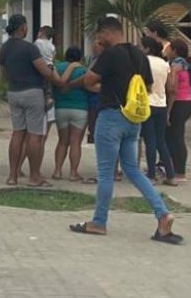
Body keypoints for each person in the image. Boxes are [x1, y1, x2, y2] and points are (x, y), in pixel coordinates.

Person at [68, 17, 181, 244]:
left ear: (108, 33)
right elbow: (147, 87)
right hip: (133, 119)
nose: (99, 41)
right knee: (133, 170)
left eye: (99, 37)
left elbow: (89, 80)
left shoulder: (110, 54)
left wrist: (91, 86)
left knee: (106, 172)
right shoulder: (140, 55)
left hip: (111, 116)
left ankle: (99, 222)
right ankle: (163, 214)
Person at [0, 14, 60, 188]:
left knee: (17, 133)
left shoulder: (4, 48)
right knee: (35, 134)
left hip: (13, 92)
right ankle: (34, 177)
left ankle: (12, 176)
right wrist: (52, 72)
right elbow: (45, 71)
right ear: (23, 28)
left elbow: (3, 74)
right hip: (32, 92)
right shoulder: (30, 48)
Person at [140, 37, 176, 185]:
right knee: (161, 141)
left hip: (147, 103)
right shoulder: (164, 64)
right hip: (161, 104)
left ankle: (151, 175)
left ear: (147, 48)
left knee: (150, 141)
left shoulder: (143, 61)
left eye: (141, 46)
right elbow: (170, 87)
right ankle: (170, 175)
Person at [51, 46, 90, 182]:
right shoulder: (83, 70)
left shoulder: (58, 68)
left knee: (62, 141)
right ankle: (73, 173)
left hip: (61, 107)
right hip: (80, 108)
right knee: (75, 142)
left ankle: (57, 171)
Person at [164, 38, 191, 183]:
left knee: (176, 138)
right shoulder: (183, 63)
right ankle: (173, 169)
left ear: (174, 50)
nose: (165, 50)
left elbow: (173, 89)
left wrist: (168, 110)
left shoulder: (176, 65)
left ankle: (180, 172)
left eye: (168, 48)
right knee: (173, 136)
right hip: (186, 102)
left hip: (179, 103)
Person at [35, 26, 58, 138]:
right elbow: (53, 58)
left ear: (42, 32)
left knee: (42, 86)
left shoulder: (37, 43)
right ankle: (49, 100)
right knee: (49, 88)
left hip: (41, 68)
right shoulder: (52, 46)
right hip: (50, 67)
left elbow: (35, 55)